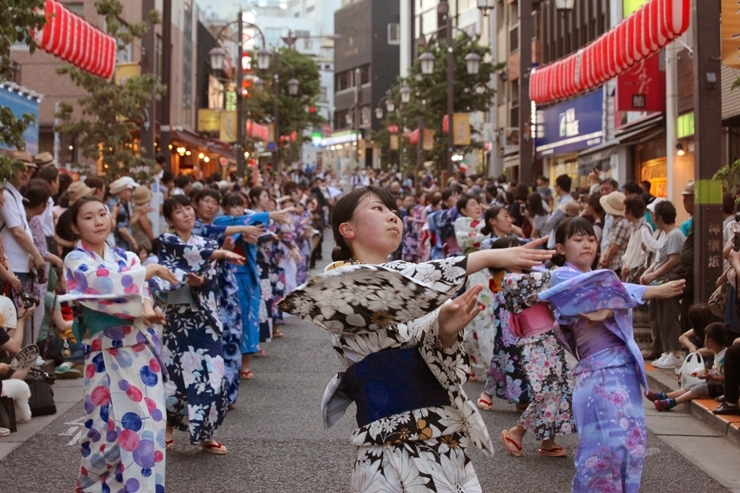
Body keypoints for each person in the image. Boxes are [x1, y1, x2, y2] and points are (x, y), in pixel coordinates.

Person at [279, 185, 554, 491]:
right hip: (385, 438)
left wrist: (447, 329)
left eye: (394, 210)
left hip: (439, 431)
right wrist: (489, 256)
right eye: (378, 209)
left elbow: (433, 345)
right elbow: (389, 290)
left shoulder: (411, 281)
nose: (392, 216)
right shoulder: (337, 283)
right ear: (347, 229)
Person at [540, 217, 685, 493]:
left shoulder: (605, 282)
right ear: (560, 248)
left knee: (631, 445)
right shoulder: (563, 277)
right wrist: (651, 291)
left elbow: (608, 292)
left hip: (622, 371)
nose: (586, 245)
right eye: (578, 239)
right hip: (597, 373)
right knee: (602, 451)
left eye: (591, 239)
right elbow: (599, 291)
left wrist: (610, 307)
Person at [59, 195, 178, 492]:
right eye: (88, 217)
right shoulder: (76, 260)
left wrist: (148, 310)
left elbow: (141, 292)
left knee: (147, 432)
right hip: (104, 356)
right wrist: (149, 271)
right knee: (106, 435)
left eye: (102, 214)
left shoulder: (127, 258)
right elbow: (105, 283)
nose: (98, 221)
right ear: (75, 226)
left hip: (140, 354)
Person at [151, 195, 245, 455]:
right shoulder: (166, 242)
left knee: (211, 377)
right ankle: (168, 428)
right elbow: (182, 258)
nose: (186, 214)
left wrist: (200, 282)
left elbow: (211, 280)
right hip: (176, 319)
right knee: (174, 376)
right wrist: (219, 252)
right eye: (178, 212)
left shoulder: (206, 242)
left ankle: (207, 434)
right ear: (169, 220)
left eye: (187, 208)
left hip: (203, 319)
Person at [498, 265, 575, 458]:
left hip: (549, 338)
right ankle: (517, 431)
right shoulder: (511, 279)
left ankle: (548, 441)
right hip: (534, 341)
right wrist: (557, 272)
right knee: (546, 391)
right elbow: (549, 280)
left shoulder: (533, 275)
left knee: (560, 389)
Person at [641, 201, 685, 369]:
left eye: (653, 215)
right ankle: (667, 351)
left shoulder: (674, 234)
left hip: (668, 282)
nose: (652, 218)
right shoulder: (664, 234)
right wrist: (650, 273)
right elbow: (659, 260)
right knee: (661, 318)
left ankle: (675, 352)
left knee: (669, 317)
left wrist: (654, 274)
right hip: (660, 282)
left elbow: (673, 260)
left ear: (659, 217)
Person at [453, 195, 493, 383]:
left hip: (492, 270)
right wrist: (491, 228)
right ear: (463, 210)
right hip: (476, 269)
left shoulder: (486, 222)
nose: (477, 207)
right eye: (472, 204)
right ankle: (483, 363)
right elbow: (476, 240)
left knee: (486, 317)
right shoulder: (461, 223)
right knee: (481, 314)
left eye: (478, 204)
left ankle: (480, 364)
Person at [650, 323, 729, 411]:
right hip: (715, 383)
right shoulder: (717, 353)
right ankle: (665, 396)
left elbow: (728, 378)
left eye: (705, 338)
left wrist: (711, 377)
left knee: (700, 388)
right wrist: (708, 372)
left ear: (710, 342)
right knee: (692, 385)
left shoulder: (725, 357)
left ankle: (673, 402)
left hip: (722, 388)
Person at [0, 151, 44, 291]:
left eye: (29, 170)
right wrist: (37, 255)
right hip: (10, 267)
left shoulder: (16, 195)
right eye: (21, 168)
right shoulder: (6, 194)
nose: (25, 173)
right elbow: (17, 231)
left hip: (18, 265)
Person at [545, 174, 574, 249]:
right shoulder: (571, 200)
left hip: (557, 242)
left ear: (559, 187)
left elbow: (550, 222)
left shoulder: (563, 204)